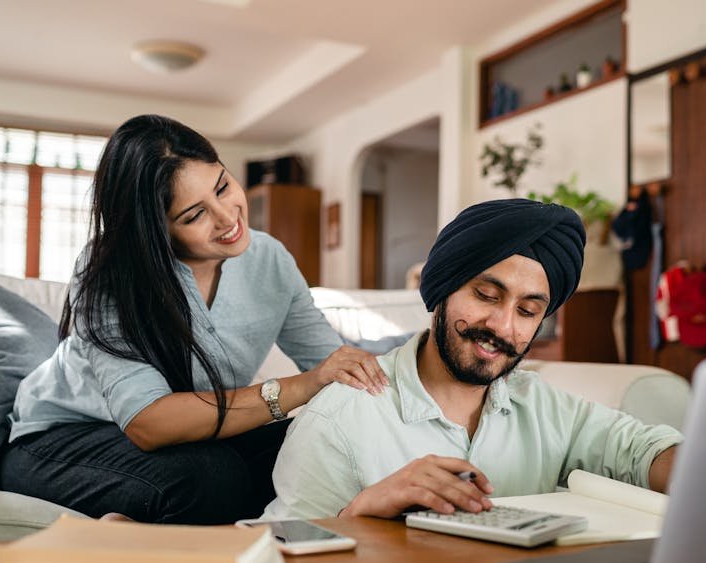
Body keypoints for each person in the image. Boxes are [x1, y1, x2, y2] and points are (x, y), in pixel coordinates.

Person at [0, 114, 387, 524]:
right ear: (154, 230)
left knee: (316, 447)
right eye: (194, 215)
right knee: (210, 478)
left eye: (222, 187)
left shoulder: (269, 259)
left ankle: (144, 531)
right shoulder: (112, 272)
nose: (227, 218)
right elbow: (149, 423)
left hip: (191, 441)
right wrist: (300, 386)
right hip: (62, 439)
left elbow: (333, 367)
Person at [265, 199, 682, 520]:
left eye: (527, 311)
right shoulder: (339, 419)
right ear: (442, 290)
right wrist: (359, 513)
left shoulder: (541, 407)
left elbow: (640, 452)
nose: (502, 326)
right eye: (486, 295)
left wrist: (703, 471)